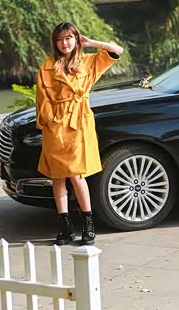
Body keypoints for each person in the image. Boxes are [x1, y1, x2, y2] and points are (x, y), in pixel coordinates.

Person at [35, 22, 124, 245]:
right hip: (56, 127)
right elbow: (42, 100)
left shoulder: (88, 62)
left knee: (76, 175)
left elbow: (117, 51)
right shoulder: (47, 66)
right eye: (59, 39)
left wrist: (91, 42)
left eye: (68, 38)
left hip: (79, 122)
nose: (64, 43)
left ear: (76, 39)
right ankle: (65, 227)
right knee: (57, 177)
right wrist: (51, 121)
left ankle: (88, 223)